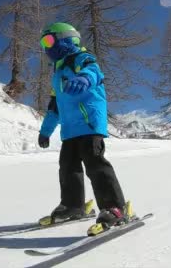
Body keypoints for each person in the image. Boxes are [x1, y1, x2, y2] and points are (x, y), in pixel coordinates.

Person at [37, 22, 134, 234]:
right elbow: (54, 107)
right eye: (43, 43)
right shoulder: (58, 72)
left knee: (95, 164)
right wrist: (45, 131)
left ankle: (114, 207)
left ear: (67, 39)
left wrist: (84, 78)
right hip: (70, 131)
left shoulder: (81, 58)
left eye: (49, 40)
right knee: (67, 168)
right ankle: (73, 206)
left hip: (89, 123)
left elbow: (94, 71)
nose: (46, 48)